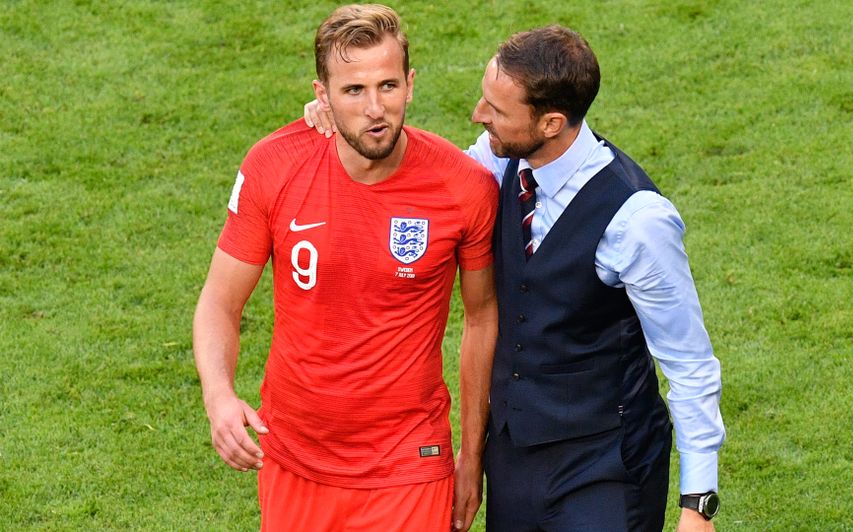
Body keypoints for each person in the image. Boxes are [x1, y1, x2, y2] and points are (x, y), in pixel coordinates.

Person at [304, 24, 724, 532]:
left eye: (496, 111)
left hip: (606, 467)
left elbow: (690, 364)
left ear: (550, 123)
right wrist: (338, 121)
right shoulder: (495, 160)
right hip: (513, 463)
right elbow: (416, 179)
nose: (479, 116)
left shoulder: (638, 221)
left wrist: (697, 504)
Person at [193, 4, 498, 532]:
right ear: (323, 98)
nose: (375, 108)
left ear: (410, 84)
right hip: (294, 457)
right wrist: (219, 395)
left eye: (387, 85)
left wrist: (472, 457)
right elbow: (221, 302)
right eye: (353, 91)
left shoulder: (463, 187)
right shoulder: (273, 166)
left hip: (409, 462)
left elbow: (482, 319)